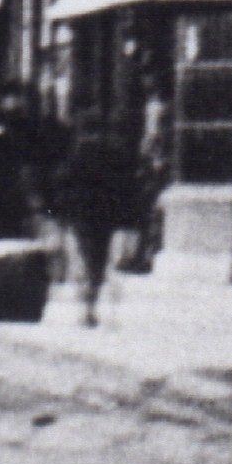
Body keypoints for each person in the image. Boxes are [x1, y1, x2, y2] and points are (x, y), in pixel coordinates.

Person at [51, 101, 162, 328]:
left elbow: (62, 186)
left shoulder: (76, 156)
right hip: (106, 216)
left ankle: (88, 306)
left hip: (83, 217)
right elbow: (128, 188)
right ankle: (92, 303)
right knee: (99, 259)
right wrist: (131, 219)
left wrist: (60, 215)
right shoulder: (115, 154)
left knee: (86, 258)